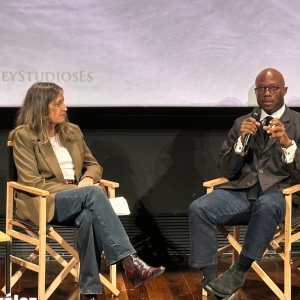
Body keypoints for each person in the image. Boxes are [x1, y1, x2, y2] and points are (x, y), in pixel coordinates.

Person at [8, 82, 165, 300]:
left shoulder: (72, 131)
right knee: (93, 194)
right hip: (45, 201)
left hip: (80, 200)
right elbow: (33, 182)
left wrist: (89, 178)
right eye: (59, 103)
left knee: (90, 215)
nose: (65, 107)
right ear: (42, 107)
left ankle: (89, 292)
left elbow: (93, 165)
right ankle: (130, 262)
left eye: (64, 102)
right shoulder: (24, 136)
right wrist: (78, 189)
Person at [189, 68, 300, 300]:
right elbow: (227, 171)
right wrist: (240, 142)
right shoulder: (243, 122)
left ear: (284, 91)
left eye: (273, 88)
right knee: (200, 208)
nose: (267, 93)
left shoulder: (297, 123)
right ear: (256, 92)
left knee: (268, 203)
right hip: (243, 193)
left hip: (281, 198)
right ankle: (212, 281)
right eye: (261, 88)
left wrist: (288, 144)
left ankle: (238, 271)